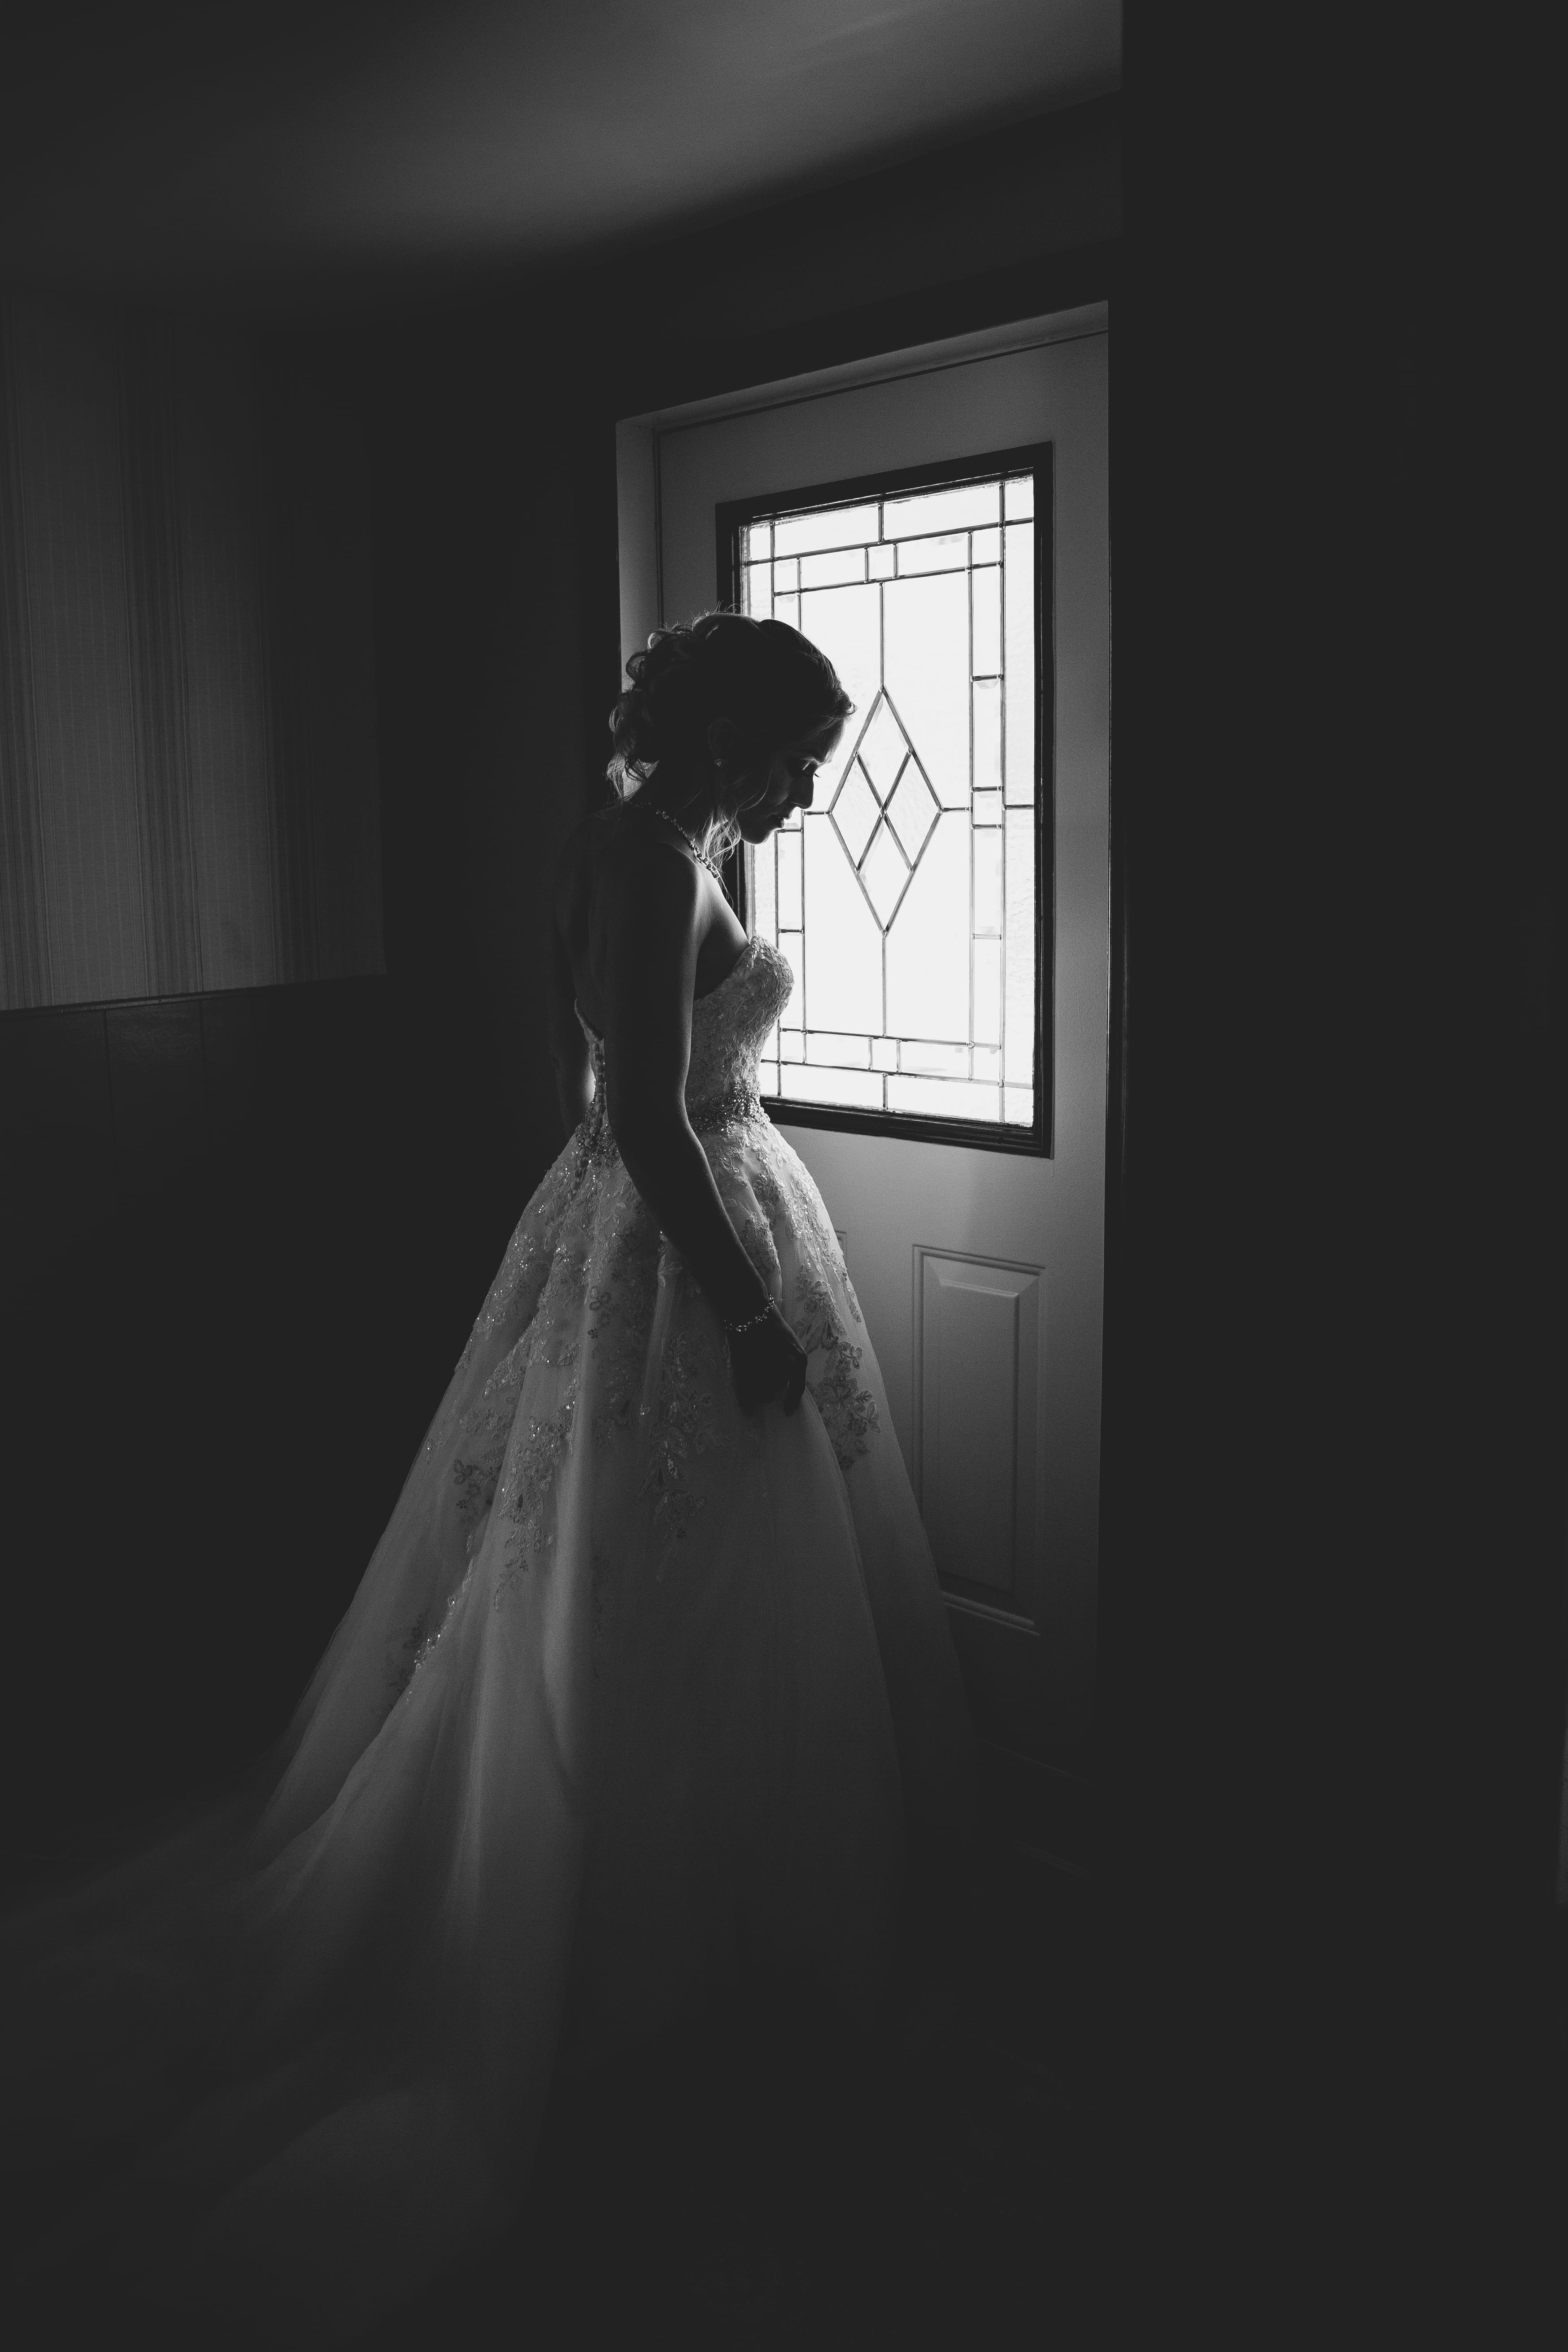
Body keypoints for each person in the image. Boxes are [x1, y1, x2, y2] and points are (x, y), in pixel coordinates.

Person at [1, 610, 977, 2348]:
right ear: (724, 737)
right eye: (792, 757)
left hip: (634, 1227)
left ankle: (687, 1926)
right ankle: (604, 1955)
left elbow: (594, 1091)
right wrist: (741, 1307)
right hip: (676, 1244)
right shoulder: (648, 862)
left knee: (634, 1585)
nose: (807, 794)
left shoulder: (637, 845)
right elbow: (649, 1116)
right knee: (610, 1580)